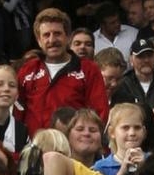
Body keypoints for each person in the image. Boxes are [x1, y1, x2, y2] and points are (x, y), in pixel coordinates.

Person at [16, 8, 109, 136]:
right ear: (39, 40)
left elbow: (99, 113)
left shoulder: (88, 69)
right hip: (35, 148)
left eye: (57, 33)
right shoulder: (27, 70)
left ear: (68, 37)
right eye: (46, 35)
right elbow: (17, 113)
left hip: (74, 150)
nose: (52, 40)